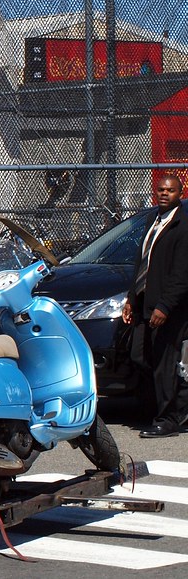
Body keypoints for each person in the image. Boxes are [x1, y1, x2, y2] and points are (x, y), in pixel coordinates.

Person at [122, 173, 188, 438]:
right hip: (145, 305)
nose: (163, 194)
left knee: (164, 363)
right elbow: (143, 264)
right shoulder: (153, 220)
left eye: (169, 191)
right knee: (139, 356)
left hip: (168, 309)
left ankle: (168, 419)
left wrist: (165, 306)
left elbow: (182, 274)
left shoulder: (182, 226)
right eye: (160, 189)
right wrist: (131, 299)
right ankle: (178, 406)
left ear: (180, 194)